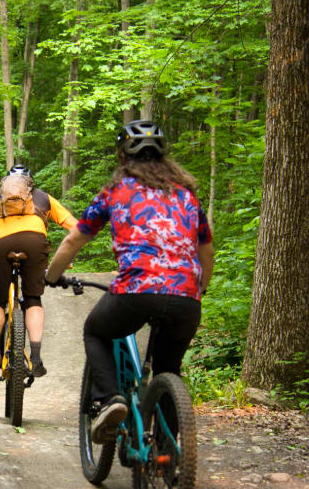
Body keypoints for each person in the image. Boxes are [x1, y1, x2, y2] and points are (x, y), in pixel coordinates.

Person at [44, 120, 214, 443]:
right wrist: (200, 287)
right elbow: (206, 249)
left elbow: (73, 240)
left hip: (136, 291)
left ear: (123, 156)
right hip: (186, 297)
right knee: (168, 369)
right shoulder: (187, 196)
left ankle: (110, 399)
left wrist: (52, 276)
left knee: (95, 331)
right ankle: (167, 456)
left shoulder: (116, 192)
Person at [0, 163, 78, 387]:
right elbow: (77, 228)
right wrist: (64, 259)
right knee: (33, 299)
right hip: (34, 243)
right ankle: (36, 358)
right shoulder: (43, 198)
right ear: (30, 184)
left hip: (0, 245)